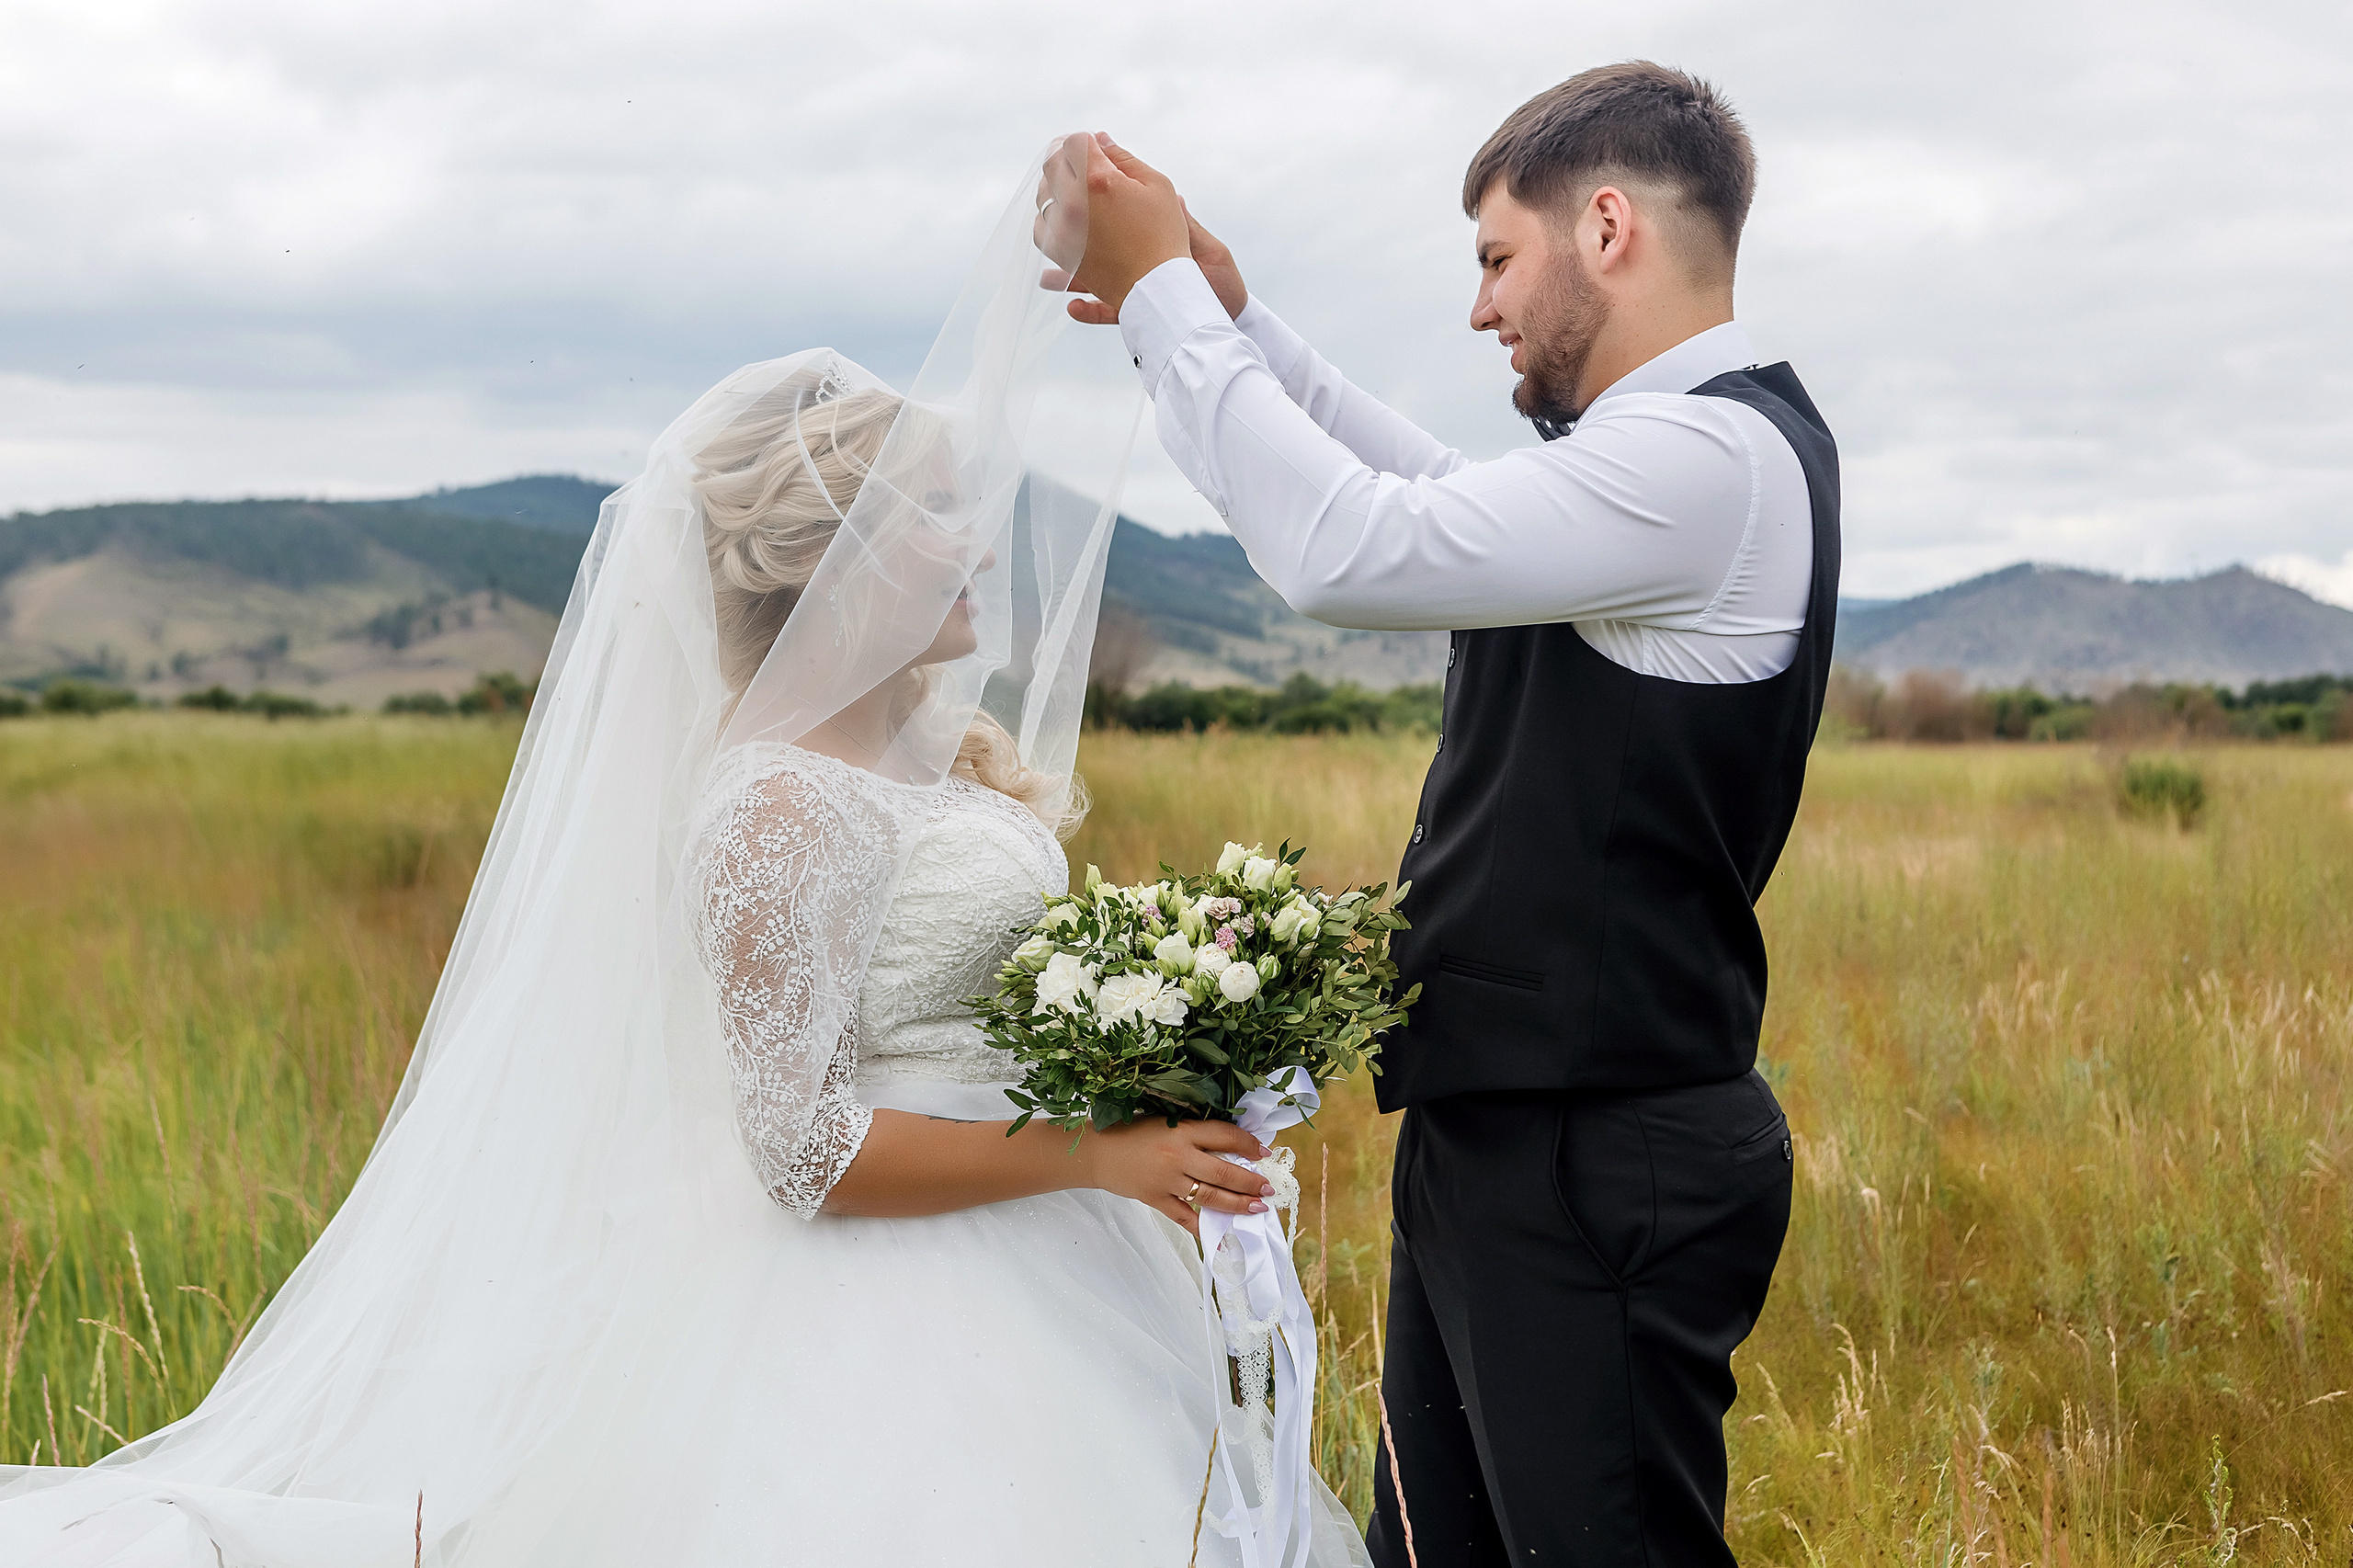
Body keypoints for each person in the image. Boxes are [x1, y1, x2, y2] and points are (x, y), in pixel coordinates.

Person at [0, 143, 1368, 1568]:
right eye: (932, 513)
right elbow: (803, 1152)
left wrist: (1162, 1058)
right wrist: (1096, 1153)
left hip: (1057, 1251)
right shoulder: (774, 807)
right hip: (882, 1304)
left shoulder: (934, 756)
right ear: (829, 556)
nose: (976, 545)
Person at [1054, 62, 1837, 1567]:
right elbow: (1426, 488)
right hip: (1518, 1134)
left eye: (1495, 258)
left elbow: (1354, 547)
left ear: (1605, 226)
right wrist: (1231, 323)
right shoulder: (1662, 457)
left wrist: (1159, 296)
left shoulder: (1713, 459)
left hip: (1599, 1154)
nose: (1482, 310)